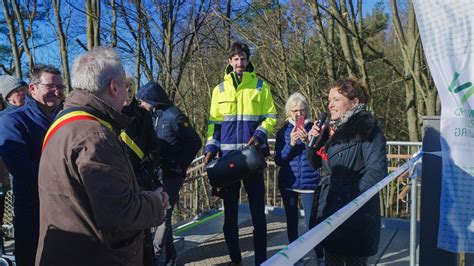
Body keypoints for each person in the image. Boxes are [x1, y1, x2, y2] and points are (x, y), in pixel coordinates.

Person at [35, 46, 169, 266]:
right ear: (114, 87)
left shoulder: (63, 123)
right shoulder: (95, 136)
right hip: (94, 256)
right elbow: (120, 214)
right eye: (126, 86)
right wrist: (155, 202)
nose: (128, 93)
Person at [203, 41, 277, 265]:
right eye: (235, 59)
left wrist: (261, 134)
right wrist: (209, 148)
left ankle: (261, 261)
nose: (239, 62)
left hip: (251, 160)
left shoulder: (260, 86)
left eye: (243, 58)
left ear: (248, 60)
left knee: (258, 216)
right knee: (230, 218)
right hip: (228, 163)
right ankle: (236, 261)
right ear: (229, 61)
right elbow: (213, 125)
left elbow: (271, 116)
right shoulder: (219, 90)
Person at [306, 77, 387, 266]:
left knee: (354, 262)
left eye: (336, 99)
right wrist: (312, 143)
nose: (330, 105)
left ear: (354, 102)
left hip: (355, 210)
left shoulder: (368, 129)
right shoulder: (331, 129)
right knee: (331, 260)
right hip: (330, 204)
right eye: (329, 100)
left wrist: (354, 201)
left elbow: (376, 171)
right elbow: (315, 164)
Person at [0, 65, 64, 266]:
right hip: (33, 209)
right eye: (51, 86)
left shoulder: (67, 118)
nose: (57, 91)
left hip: (67, 208)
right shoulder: (13, 121)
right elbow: (20, 167)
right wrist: (64, 182)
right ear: (32, 89)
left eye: (61, 86)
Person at [136, 80, 201, 265]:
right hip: (158, 174)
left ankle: (156, 256)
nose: (141, 104)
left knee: (164, 213)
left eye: (143, 101)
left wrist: (180, 166)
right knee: (166, 213)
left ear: (152, 100)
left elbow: (194, 142)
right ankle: (170, 256)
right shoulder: (152, 117)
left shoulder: (174, 116)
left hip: (172, 175)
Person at [274, 92, 323, 263]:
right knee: (292, 222)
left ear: (306, 111)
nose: (298, 114)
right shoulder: (283, 132)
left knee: (313, 223)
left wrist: (306, 142)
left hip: (310, 183)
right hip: (288, 182)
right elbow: (279, 159)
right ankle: (296, 256)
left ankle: (320, 255)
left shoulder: (315, 129)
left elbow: (318, 159)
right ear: (289, 112)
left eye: (301, 110)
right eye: (294, 110)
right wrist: (291, 143)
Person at [122, 76, 162, 266]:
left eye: (131, 89)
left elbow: (154, 149)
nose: (127, 93)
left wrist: (144, 173)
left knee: (144, 234)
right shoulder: (105, 117)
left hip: (142, 180)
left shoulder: (142, 115)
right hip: (119, 182)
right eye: (124, 88)